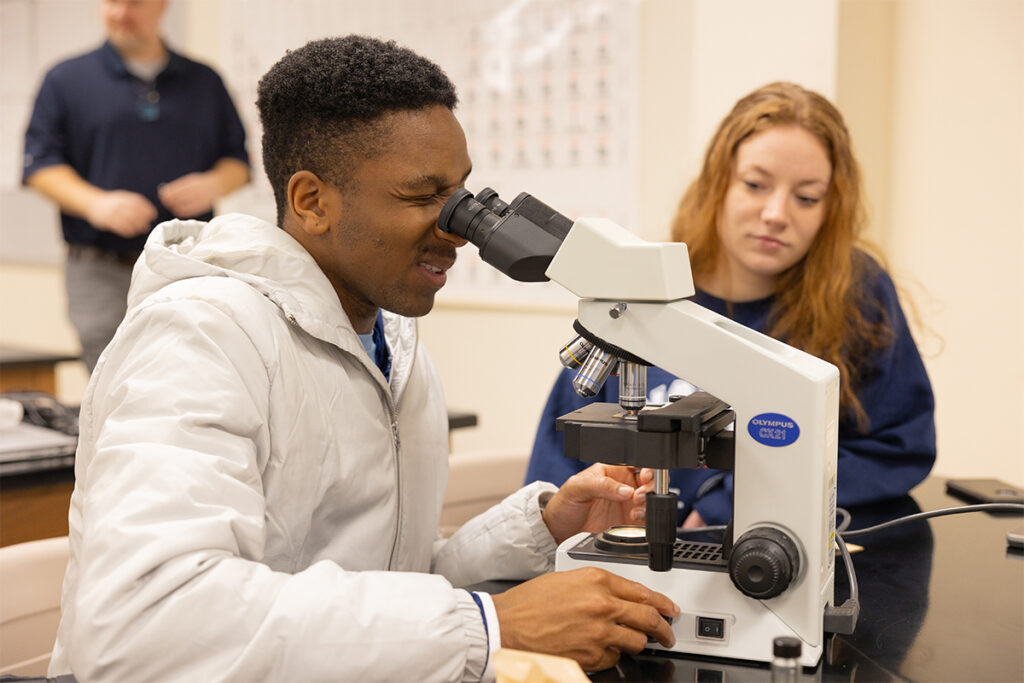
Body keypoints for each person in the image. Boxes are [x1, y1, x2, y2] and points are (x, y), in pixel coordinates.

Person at [48, 35, 680, 682]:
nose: (459, 229)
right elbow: (145, 622)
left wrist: (539, 527)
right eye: (422, 196)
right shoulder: (199, 336)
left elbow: (380, 585)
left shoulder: (390, 340)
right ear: (312, 202)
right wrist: (492, 625)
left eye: (462, 193)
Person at [526, 81, 936, 529]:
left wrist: (730, 505)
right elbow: (555, 481)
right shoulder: (639, 289)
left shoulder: (858, 294)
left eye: (807, 197)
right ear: (719, 182)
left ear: (831, 207)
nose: (777, 213)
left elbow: (896, 450)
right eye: (756, 184)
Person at [22, 0, 250, 372]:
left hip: (188, 264)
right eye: (112, 2)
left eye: (134, 3)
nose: (120, 14)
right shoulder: (65, 80)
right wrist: (95, 204)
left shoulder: (205, 81)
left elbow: (238, 162)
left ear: (162, 6)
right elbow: (39, 165)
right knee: (113, 379)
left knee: (192, 373)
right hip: (100, 266)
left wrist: (212, 184)